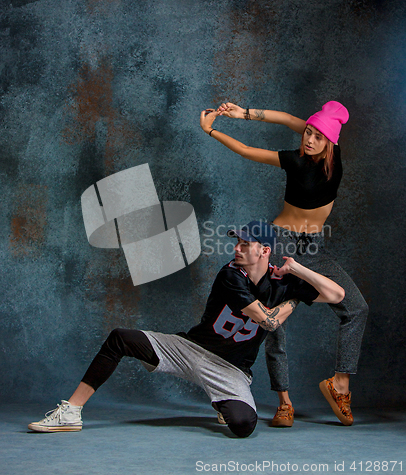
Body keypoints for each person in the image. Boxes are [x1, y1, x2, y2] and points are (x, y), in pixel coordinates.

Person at [28, 220, 344, 438]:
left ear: (265, 251)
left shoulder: (283, 282)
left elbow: (337, 295)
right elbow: (268, 321)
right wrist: (294, 300)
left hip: (231, 370)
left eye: (246, 244)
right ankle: (71, 411)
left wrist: (299, 270)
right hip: (190, 349)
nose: (237, 248)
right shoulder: (231, 275)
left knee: (244, 426)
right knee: (120, 338)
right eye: (236, 241)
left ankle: (222, 401)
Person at [199, 102, 369, 427]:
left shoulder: (336, 156)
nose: (309, 139)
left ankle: (340, 383)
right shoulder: (294, 159)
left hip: (314, 246)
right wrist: (221, 126)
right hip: (281, 240)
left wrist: (249, 113)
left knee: (356, 308)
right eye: (308, 133)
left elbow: (291, 117)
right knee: (275, 322)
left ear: (330, 142)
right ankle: (284, 402)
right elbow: (249, 150)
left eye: (317, 136)